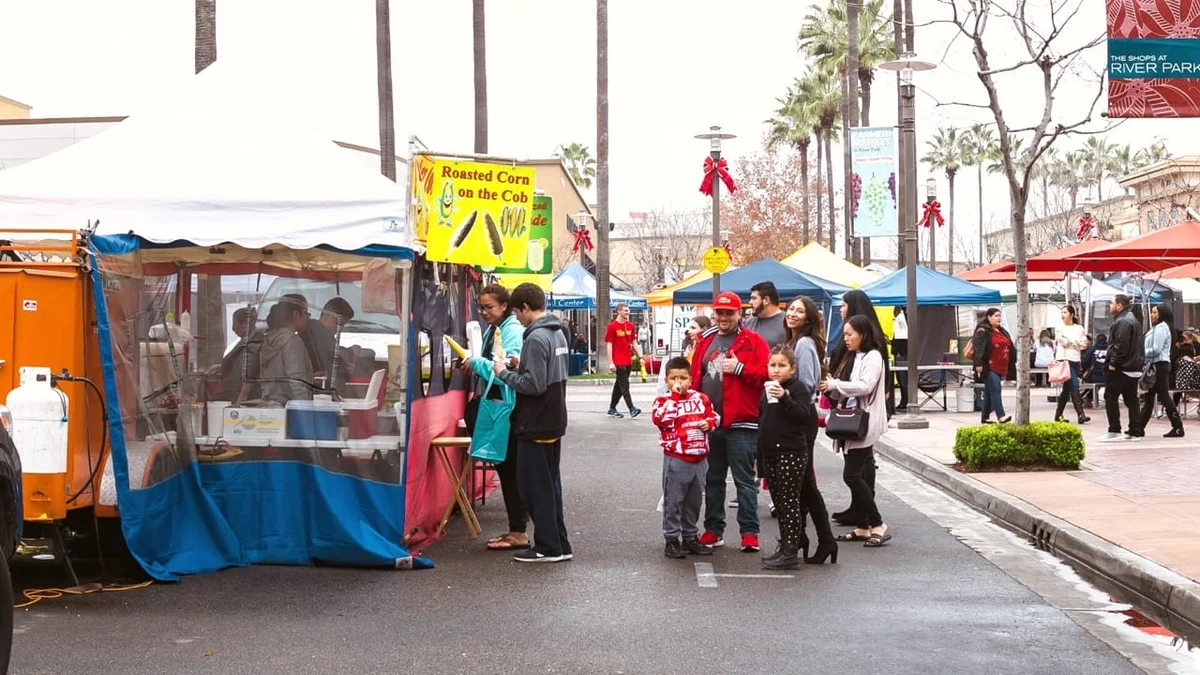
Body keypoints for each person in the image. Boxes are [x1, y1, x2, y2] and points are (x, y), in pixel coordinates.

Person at [493, 283, 572, 563]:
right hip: (553, 418)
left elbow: (533, 384)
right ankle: (559, 543)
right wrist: (519, 364)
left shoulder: (536, 338)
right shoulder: (558, 332)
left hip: (536, 421)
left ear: (525, 308)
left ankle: (548, 547)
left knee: (532, 486)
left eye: (517, 312)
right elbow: (545, 373)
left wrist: (503, 372)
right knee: (550, 485)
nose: (517, 318)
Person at [690, 291, 770, 553]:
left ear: (739, 313)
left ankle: (749, 532)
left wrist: (739, 369)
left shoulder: (753, 341)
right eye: (719, 312)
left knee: (744, 480)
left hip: (742, 422)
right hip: (709, 423)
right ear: (714, 313)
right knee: (712, 479)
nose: (724, 317)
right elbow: (695, 377)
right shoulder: (705, 339)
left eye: (729, 312)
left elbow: (766, 376)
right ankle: (714, 529)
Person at [460, 284, 530, 551]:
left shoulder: (511, 330)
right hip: (499, 408)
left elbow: (504, 369)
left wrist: (476, 363)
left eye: (489, 307)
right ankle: (517, 528)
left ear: (505, 306)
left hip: (506, 411)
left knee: (509, 469)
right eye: (482, 307)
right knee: (507, 469)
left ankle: (518, 530)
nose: (484, 312)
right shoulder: (495, 328)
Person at [758, 344, 835, 569]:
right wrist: (760, 457)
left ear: (792, 369)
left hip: (790, 451)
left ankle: (791, 550)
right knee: (780, 503)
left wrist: (784, 398)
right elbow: (763, 422)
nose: (776, 370)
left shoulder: (797, 388)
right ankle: (788, 543)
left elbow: (803, 416)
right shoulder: (767, 389)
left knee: (790, 501)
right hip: (771, 451)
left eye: (782, 365)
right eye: (772, 365)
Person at [821, 314, 891, 548]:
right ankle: (862, 525)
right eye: (845, 335)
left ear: (863, 334)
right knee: (857, 474)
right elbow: (849, 389)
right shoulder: (855, 356)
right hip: (851, 423)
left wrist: (834, 385)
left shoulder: (873, 356)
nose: (846, 339)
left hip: (864, 423)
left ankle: (878, 523)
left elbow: (865, 386)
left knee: (851, 475)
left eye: (850, 334)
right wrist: (832, 388)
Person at [779, 296, 836, 563]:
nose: (792, 314)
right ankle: (801, 536)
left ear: (809, 318)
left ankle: (824, 539)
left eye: (799, 311)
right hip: (794, 415)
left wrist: (785, 398)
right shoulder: (794, 341)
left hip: (800, 417)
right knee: (801, 484)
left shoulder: (803, 344)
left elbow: (807, 383)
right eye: (791, 309)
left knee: (805, 484)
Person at [652, 356, 719, 559]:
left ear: (690, 379)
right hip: (677, 458)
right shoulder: (663, 401)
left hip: (699, 459)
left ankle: (690, 536)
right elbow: (660, 419)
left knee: (694, 501)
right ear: (666, 381)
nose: (678, 382)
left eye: (683, 378)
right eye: (673, 378)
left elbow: (714, 415)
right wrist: (674, 398)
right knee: (674, 500)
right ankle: (671, 538)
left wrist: (709, 423)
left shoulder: (700, 398)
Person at [1098, 295, 1146, 443]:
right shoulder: (1133, 320)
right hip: (1133, 367)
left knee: (1110, 396)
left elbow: (1121, 344)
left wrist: (1113, 362)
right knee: (1132, 399)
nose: (1110, 306)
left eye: (1112, 303)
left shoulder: (1123, 321)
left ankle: (1114, 429)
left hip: (1122, 367)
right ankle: (1135, 431)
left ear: (1119, 305)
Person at [258, 299, 314, 405]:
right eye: (306, 313)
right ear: (296, 314)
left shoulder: (270, 338)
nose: (307, 318)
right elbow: (296, 382)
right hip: (289, 408)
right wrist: (305, 410)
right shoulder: (292, 341)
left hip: (269, 405)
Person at [1139, 304, 1183, 438]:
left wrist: (1141, 353)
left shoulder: (1162, 328)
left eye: (1155, 313)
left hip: (1159, 364)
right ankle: (1139, 427)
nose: (1152, 315)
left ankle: (1178, 427)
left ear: (1162, 314)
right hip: (1156, 364)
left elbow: (1156, 349)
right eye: (1152, 312)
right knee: (1150, 396)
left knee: (1162, 396)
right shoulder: (1158, 327)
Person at [971, 308, 1015, 424]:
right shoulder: (983, 331)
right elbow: (978, 349)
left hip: (1001, 366)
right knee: (996, 389)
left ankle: (985, 417)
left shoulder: (1002, 331)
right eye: (996, 316)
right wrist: (978, 364)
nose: (999, 318)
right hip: (988, 366)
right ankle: (1001, 416)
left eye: (999, 316)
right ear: (989, 317)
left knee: (989, 392)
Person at [216, 306, 263, 404]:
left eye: (234, 323)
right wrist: (218, 367)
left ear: (244, 324)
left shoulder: (254, 340)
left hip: (249, 396)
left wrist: (243, 395)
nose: (233, 328)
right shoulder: (246, 340)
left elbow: (251, 370)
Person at [1053, 305, 1090, 424]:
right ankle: (1081, 414)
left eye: (1065, 312)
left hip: (1075, 359)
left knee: (1067, 389)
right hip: (1064, 359)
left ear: (1072, 314)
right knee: (1074, 384)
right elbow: (1062, 341)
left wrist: (1075, 343)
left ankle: (1058, 415)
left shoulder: (1079, 328)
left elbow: (1084, 343)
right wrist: (1074, 342)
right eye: (1061, 313)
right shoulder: (1059, 327)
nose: (1062, 315)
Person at [605, 302, 642, 419]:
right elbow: (609, 345)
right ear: (619, 311)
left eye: (628, 310)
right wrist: (611, 362)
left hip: (628, 360)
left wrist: (640, 357)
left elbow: (634, 342)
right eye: (625, 310)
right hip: (618, 360)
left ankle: (612, 408)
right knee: (625, 385)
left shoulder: (630, 326)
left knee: (619, 385)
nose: (628, 312)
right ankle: (631, 408)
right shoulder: (612, 327)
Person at [745, 281, 786, 348]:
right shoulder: (747, 323)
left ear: (766, 300)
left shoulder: (787, 323)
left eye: (754, 298)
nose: (750, 302)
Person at [892, 306, 909, 411]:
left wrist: (898, 351)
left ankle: (905, 401)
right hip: (901, 354)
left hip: (901, 355)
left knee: (903, 379)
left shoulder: (900, 322)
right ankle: (904, 400)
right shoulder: (902, 322)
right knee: (902, 379)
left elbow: (902, 340)